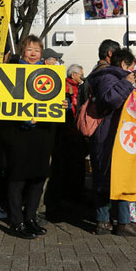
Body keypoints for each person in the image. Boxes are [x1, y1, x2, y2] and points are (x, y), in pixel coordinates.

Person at [3, 35, 61, 239]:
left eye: (37, 50)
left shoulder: (50, 74)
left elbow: (52, 99)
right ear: (22, 51)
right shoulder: (11, 72)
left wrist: (60, 105)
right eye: (29, 49)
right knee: (18, 178)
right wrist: (25, 121)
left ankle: (30, 218)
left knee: (38, 178)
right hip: (19, 134)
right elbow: (4, 104)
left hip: (42, 135)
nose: (34, 53)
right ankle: (16, 221)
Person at [87, 48, 136, 236]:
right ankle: (114, 222)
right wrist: (127, 84)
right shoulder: (109, 77)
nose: (134, 71)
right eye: (132, 66)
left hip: (118, 134)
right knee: (109, 178)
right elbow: (110, 100)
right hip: (109, 136)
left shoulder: (111, 77)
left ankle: (112, 221)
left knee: (116, 177)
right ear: (124, 65)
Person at [44, 63, 87, 222]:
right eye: (80, 74)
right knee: (60, 169)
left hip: (73, 132)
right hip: (64, 133)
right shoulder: (64, 86)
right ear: (74, 74)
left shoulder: (79, 88)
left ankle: (68, 199)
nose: (82, 77)